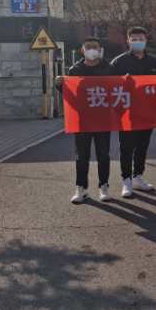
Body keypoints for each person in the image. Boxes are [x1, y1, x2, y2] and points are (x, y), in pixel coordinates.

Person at [56, 36, 113, 204]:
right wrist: (59, 84)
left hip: (103, 119)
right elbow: (70, 95)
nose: (92, 50)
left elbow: (118, 90)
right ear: (82, 50)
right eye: (88, 47)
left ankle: (104, 187)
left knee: (103, 155)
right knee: (82, 156)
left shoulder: (109, 68)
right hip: (82, 120)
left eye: (95, 47)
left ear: (100, 50)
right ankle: (81, 188)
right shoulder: (75, 69)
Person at [110, 26, 156, 198]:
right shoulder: (118, 63)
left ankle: (138, 176)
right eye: (134, 39)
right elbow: (108, 86)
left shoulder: (153, 63)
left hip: (147, 113)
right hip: (127, 114)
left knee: (142, 146)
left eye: (141, 39)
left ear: (146, 41)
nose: (138, 42)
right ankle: (126, 180)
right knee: (126, 147)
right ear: (128, 41)